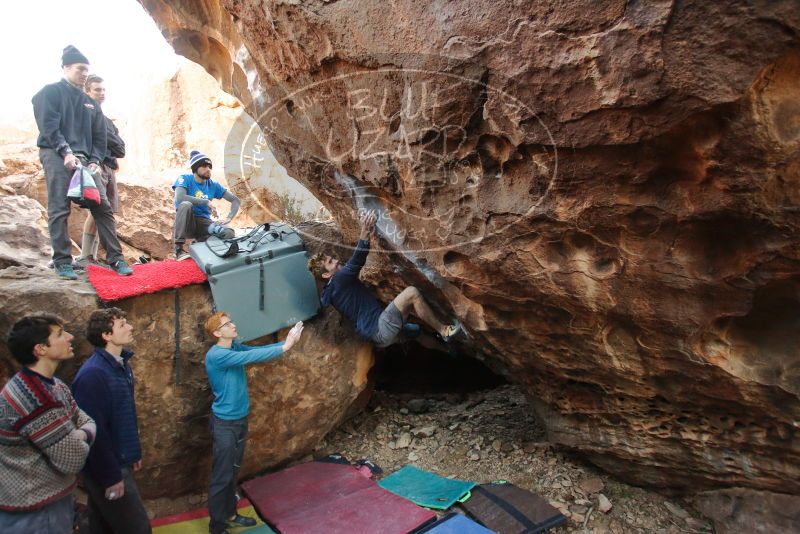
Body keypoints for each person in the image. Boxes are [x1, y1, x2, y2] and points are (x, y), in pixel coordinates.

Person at [31, 45, 133, 279]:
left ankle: (116, 259)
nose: (84, 73)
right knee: (59, 207)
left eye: (87, 69)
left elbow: (100, 137)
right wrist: (65, 151)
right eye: (80, 69)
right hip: (56, 153)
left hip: (87, 160)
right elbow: (48, 127)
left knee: (102, 207)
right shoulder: (51, 92)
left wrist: (96, 160)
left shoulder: (91, 104)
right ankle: (62, 261)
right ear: (66, 67)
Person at [204, 313, 303, 534]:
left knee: (233, 470)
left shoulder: (233, 348)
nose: (233, 324)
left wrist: (288, 342)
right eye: (227, 324)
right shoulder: (217, 355)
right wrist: (285, 347)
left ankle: (230, 513)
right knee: (222, 474)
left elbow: (252, 352)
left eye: (231, 321)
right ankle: (217, 527)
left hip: (239, 420)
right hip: (225, 424)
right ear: (217, 333)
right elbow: (252, 358)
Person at [308, 210, 463, 348]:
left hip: (376, 337)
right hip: (380, 327)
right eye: (330, 263)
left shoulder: (332, 290)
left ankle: (448, 351)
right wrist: (365, 230)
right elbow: (357, 259)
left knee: (417, 332)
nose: (335, 261)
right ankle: (444, 331)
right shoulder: (338, 280)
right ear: (326, 275)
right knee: (412, 293)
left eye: (331, 258)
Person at [0, 314, 96, 534]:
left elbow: (86, 420)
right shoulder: (35, 399)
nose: (70, 336)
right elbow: (73, 458)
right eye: (61, 334)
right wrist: (81, 436)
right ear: (40, 349)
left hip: (47, 504)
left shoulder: (52, 386)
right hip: (34, 513)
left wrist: (78, 434)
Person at [71, 308, 151, 534]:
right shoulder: (93, 375)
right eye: (122, 324)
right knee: (137, 528)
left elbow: (123, 415)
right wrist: (111, 476)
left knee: (101, 524)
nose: (130, 327)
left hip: (120, 459)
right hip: (109, 467)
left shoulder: (120, 365)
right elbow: (93, 431)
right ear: (106, 335)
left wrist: (132, 452)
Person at [76, 74, 126, 267]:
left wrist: (108, 139)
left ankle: (91, 256)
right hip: (94, 164)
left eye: (104, 89)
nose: (102, 93)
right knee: (98, 209)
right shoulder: (82, 114)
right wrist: (108, 141)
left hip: (109, 166)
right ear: (87, 91)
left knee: (103, 211)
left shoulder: (106, 120)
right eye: (97, 89)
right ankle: (86, 255)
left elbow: (121, 148)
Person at [172, 150, 240, 259]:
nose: (208, 169)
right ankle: (178, 249)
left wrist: (229, 218)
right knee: (186, 204)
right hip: (187, 222)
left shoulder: (213, 184)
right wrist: (206, 201)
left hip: (204, 223)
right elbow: (179, 198)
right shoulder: (184, 179)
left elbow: (235, 200)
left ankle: (203, 243)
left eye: (210, 166)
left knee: (228, 232)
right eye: (204, 166)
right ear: (195, 168)